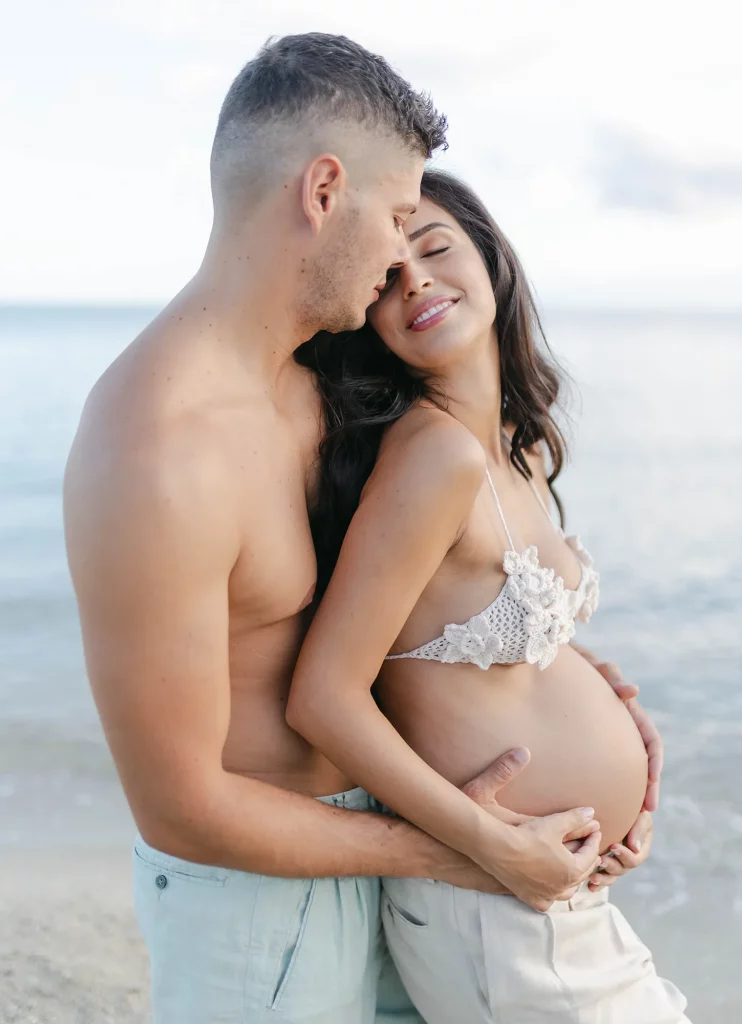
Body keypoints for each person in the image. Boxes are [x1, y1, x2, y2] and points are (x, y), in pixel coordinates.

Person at [64, 33, 661, 1024]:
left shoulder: (324, 389)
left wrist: (588, 703)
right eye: (394, 216)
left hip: (392, 859)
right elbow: (178, 804)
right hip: (257, 909)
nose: (400, 253)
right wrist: (468, 844)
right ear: (323, 189)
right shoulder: (156, 449)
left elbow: (414, 612)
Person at [288, 168, 685, 1022]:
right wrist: (495, 846)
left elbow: (481, 645)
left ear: (493, 263)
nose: (418, 280)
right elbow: (324, 698)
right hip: (496, 914)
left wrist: (615, 727)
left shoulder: (518, 448)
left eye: (435, 249)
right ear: (370, 319)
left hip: (551, 906)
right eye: (390, 278)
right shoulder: (435, 458)